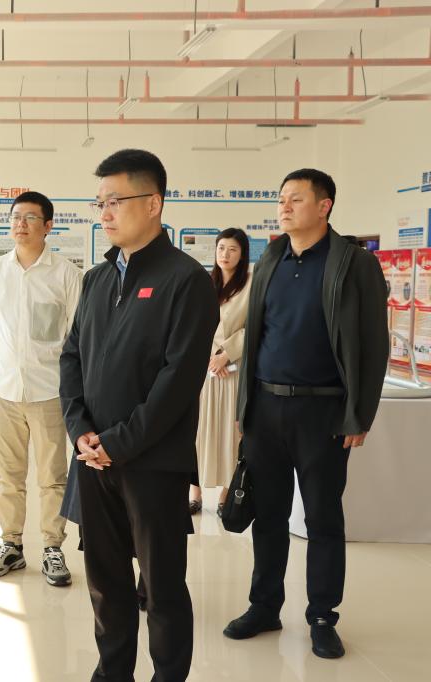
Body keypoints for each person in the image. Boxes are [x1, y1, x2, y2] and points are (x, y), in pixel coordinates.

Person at [60, 149, 218, 681]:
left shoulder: (185, 280)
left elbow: (179, 380)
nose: (104, 213)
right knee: (105, 584)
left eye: (115, 201)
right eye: (99, 203)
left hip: (153, 462)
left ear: (153, 203)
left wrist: (119, 442)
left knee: (162, 587)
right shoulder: (97, 279)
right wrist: (81, 431)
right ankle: (112, 673)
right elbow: (72, 358)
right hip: (94, 459)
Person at [223, 169, 389, 659]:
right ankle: (264, 606)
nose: (284, 206)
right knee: (268, 516)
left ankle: (321, 616)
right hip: (266, 408)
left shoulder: (354, 264)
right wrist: (245, 406)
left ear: (324, 206)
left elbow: (373, 346)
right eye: (281, 199)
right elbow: (256, 337)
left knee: (322, 518)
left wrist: (360, 414)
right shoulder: (271, 258)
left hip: (324, 411)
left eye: (295, 199)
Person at [0, 190, 82, 587]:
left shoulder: (66, 275)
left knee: (52, 476)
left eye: (30, 218)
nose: (20, 224)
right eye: (15, 217)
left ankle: (53, 547)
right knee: (8, 473)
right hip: (4, 387)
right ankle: (11, 544)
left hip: (49, 390)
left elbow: (74, 333)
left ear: (48, 226)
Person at [189, 228, 251, 516]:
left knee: (229, 433)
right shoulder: (204, 282)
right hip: (203, 372)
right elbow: (192, 324)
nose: (225, 254)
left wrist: (226, 355)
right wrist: (209, 358)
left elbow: (254, 326)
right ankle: (195, 493)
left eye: (233, 249)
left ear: (243, 254)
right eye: (221, 248)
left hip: (232, 372)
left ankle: (226, 494)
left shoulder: (250, 285)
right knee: (198, 432)